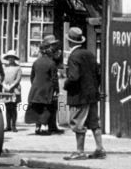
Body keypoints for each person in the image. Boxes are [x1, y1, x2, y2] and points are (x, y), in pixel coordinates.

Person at [63, 27, 106, 161]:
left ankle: (80, 151)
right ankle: (100, 149)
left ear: (69, 42)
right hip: (92, 94)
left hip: (79, 96)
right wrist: (94, 88)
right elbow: (99, 74)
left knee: (77, 123)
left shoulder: (73, 56)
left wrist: (66, 84)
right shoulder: (90, 54)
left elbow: (74, 77)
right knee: (94, 122)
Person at [27, 35, 59, 135]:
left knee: (37, 108)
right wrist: (56, 89)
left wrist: (35, 85)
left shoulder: (36, 62)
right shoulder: (51, 63)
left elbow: (32, 77)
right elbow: (54, 79)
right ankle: (49, 127)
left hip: (36, 89)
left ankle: (38, 127)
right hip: (47, 90)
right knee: (47, 108)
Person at [2, 50, 22, 132]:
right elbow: (1, 77)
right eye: (9, 57)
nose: (11, 59)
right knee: (7, 108)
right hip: (6, 89)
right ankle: (8, 125)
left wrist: (12, 85)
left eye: (12, 57)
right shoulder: (4, 67)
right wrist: (4, 85)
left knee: (13, 108)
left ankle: (13, 125)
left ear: (14, 58)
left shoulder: (18, 68)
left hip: (14, 89)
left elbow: (18, 79)